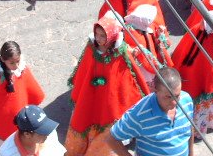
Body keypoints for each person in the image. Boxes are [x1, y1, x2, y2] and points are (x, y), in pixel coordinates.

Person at [64, 15, 150, 155]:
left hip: (110, 104)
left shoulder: (120, 53)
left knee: (105, 134)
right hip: (90, 97)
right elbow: (85, 70)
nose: (99, 39)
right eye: (97, 34)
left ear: (112, 35)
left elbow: (125, 79)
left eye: (103, 35)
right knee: (84, 120)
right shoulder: (91, 49)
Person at [172, 10, 213, 137]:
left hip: (198, 82)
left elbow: (181, 53)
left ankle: (192, 129)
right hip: (209, 84)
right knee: (201, 108)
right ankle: (196, 131)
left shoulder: (198, 31)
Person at [98, 0, 173, 73]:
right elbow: (106, 19)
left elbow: (156, 13)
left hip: (148, 33)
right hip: (128, 37)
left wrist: (159, 29)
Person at [104, 67, 194, 156]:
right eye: (168, 97)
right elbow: (111, 139)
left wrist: (191, 153)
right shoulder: (140, 113)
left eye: (177, 96)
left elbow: (190, 128)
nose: (174, 102)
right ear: (155, 90)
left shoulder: (186, 100)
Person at [0, 105, 66, 156]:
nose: (48, 135)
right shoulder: (6, 153)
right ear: (27, 134)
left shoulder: (51, 133)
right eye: (42, 132)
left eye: (46, 127)